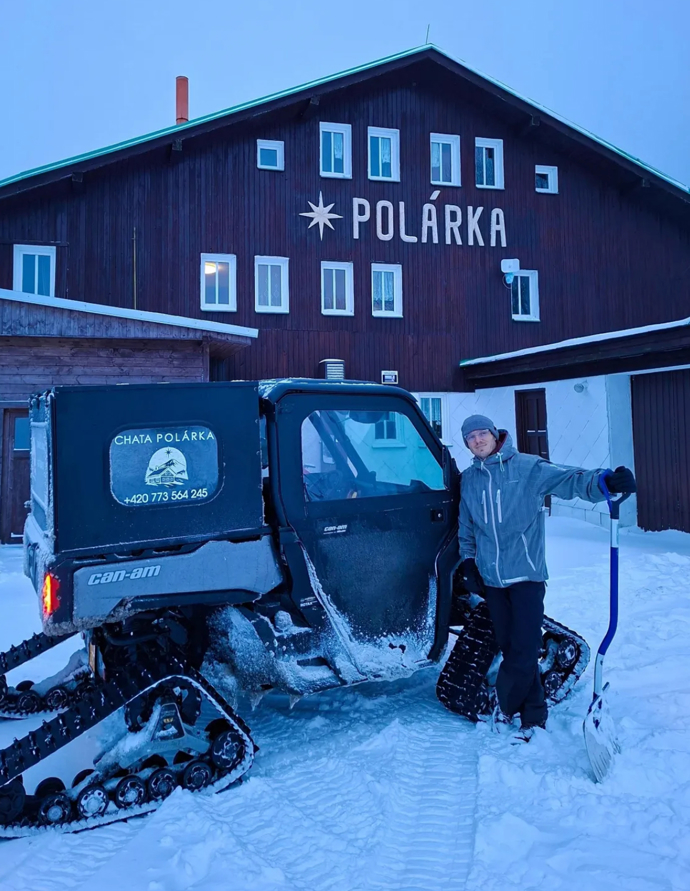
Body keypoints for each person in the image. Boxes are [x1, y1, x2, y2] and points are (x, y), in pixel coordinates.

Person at [458, 413, 636, 740]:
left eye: (482, 433)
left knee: (524, 650)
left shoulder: (527, 468)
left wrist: (604, 482)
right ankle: (535, 716)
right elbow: (467, 528)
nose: (478, 440)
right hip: (492, 580)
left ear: (495, 435)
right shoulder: (470, 480)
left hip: (526, 575)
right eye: (471, 437)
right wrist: (469, 563)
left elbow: (568, 480)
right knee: (512, 648)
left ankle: (505, 706)